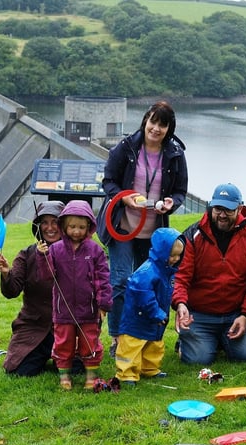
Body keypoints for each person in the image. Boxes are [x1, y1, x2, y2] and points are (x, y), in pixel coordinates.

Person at [98, 100, 188, 358]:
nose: (156, 128)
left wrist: (172, 203)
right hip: (123, 227)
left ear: (169, 128)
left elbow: (180, 191)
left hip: (153, 232)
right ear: (145, 120)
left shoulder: (175, 154)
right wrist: (123, 197)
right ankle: (118, 337)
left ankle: (143, 336)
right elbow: (108, 181)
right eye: (153, 121)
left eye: (163, 124)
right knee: (121, 281)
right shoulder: (126, 148)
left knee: (149, 284)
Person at [172, 183, 246, 365]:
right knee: (197, 360)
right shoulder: (193, 235)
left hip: (235, 314)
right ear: (211, 206)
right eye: (218, 209)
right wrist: (181, 303)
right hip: (199, 313)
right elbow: (181, 276)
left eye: (228, 210)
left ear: (239, 209)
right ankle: (191, 341)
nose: (222, 215)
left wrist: (245, 315)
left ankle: (218, 341)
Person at [37, 200, 112, 390]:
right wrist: (42, 256)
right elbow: (47, 275)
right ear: (64, 226)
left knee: (90, 343)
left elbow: (102, 278)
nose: (76, 231)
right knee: (63, 344)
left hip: (89, 310)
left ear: (89, 227)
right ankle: (65, 377)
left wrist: (103, 304)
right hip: (63, 311)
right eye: (72, 227)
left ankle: (91, 376)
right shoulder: (55, 249)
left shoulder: (95, 250)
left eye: (81, 227)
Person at [0, 200, 65, 377]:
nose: (50, 228)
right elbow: (11, 291)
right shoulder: (26, 255)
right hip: (34, 325)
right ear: (38, 226)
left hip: (68, 327)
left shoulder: (76, 253)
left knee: (75, 369)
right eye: (45, 222)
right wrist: (5, 273)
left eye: (55, 222)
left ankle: (62, 355)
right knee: (19, 370)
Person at [114, 228, 185, 386]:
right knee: (131, 346)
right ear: (161, 252)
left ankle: (149, 368)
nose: (175, 259)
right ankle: (126, 374)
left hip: (156, 318)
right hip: (137, 318)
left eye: (179, 255)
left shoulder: (167, 272)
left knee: (154, 344)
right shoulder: (147, 272)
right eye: (172, 255)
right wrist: (157, 313)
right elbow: (144, 295)